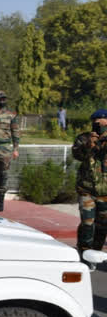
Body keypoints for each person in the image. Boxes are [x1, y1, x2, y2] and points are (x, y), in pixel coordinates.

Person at [72, 109, 107, 255]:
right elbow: (77, 155)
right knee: (87, 222)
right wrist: (89, 145)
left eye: (102, 120)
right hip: (86, 189)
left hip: (105, 191)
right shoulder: (84, 138)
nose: (98, 123)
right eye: (95, 120)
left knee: (102, 225)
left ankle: (96, 252)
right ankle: (84, 250)